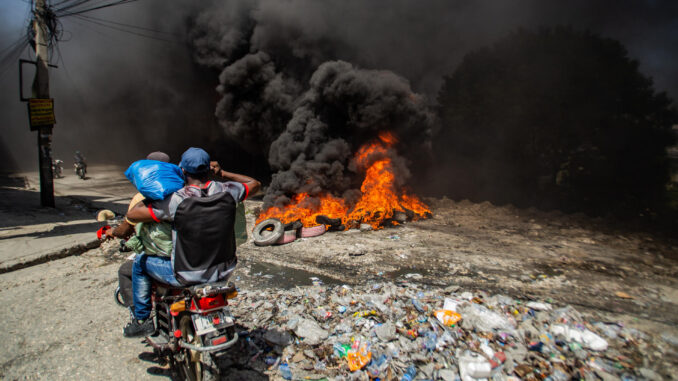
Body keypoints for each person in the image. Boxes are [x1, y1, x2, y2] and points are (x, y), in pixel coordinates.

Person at [123, 147, 260, 337]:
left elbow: (133, 214)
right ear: (209, 170)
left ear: (184, 172)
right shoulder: (227, 191)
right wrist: (223, 173)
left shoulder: (175, 200)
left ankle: (142, 320)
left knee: (139, 263)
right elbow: (254, 183)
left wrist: (150, 192)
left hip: (186, 275)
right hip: (224, 270)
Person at [106, 152, 173, 311]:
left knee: (126, 271)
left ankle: (141, 317)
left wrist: (112, 233)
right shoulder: (184, 191)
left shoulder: (141, 198)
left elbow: (125, 229)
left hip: (162, 256)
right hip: (189, 253)